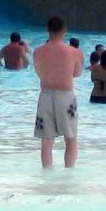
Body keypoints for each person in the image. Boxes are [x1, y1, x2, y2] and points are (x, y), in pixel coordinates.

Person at [32, 15, 83, 168]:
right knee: (71, 138)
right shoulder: (74, 52)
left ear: (48, 30)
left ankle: (47, 175)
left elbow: (39, 73)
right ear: (64, 30)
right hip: (65, 96)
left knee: (46, 141)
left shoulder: (38, 52)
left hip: (45, 95)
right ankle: (69, 175)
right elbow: (77, 73)